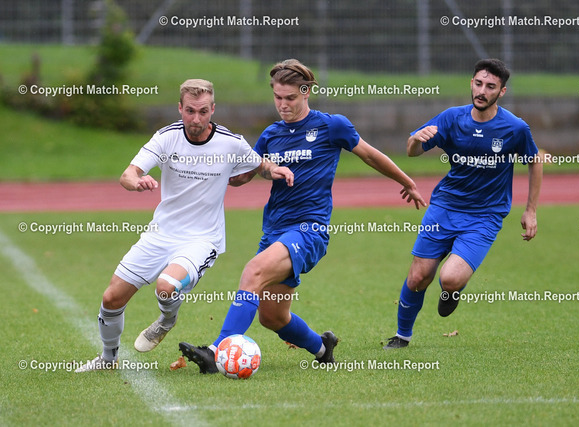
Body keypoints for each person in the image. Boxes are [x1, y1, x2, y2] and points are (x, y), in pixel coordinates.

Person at [179, 59, 427, 373]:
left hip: (309, 230)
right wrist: (217, 171)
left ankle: (216, 352)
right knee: (273, 317)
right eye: (277, 97)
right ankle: (323, 348)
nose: (283, 104)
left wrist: (407, 181)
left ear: (306, 92)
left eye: (290, 98)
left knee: (253, 271)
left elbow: (370, 155)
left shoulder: (332, 126)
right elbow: (248, 173)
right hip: (274, 230)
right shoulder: (271, 135)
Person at [75, 79, 293, 372]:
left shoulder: (230, 142)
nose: (196, 119)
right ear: (180, 108)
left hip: (202, 239)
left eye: (203, 111)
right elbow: (128, 174)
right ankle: (107, 359)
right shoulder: (166, 138)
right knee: (111, 298)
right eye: (190, 111)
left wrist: (274, 169)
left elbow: (258, 165)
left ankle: (166, 320)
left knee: (166, 287)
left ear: (212, 109)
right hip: (160, 233)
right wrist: (136, 182)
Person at [383, 59, 543, 349]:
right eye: (478, 83)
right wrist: (416, 140)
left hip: (485, 216)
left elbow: (534, 161)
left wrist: (530, 210)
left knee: (450, 279)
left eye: (490, 86)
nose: (482, 91)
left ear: (502, 92)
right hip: (444, 208)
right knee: (418, 276)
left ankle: (452, 291)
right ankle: (402, 336)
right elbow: (412, 151)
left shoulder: (515, 128)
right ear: (471, 83)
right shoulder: (451, 118)